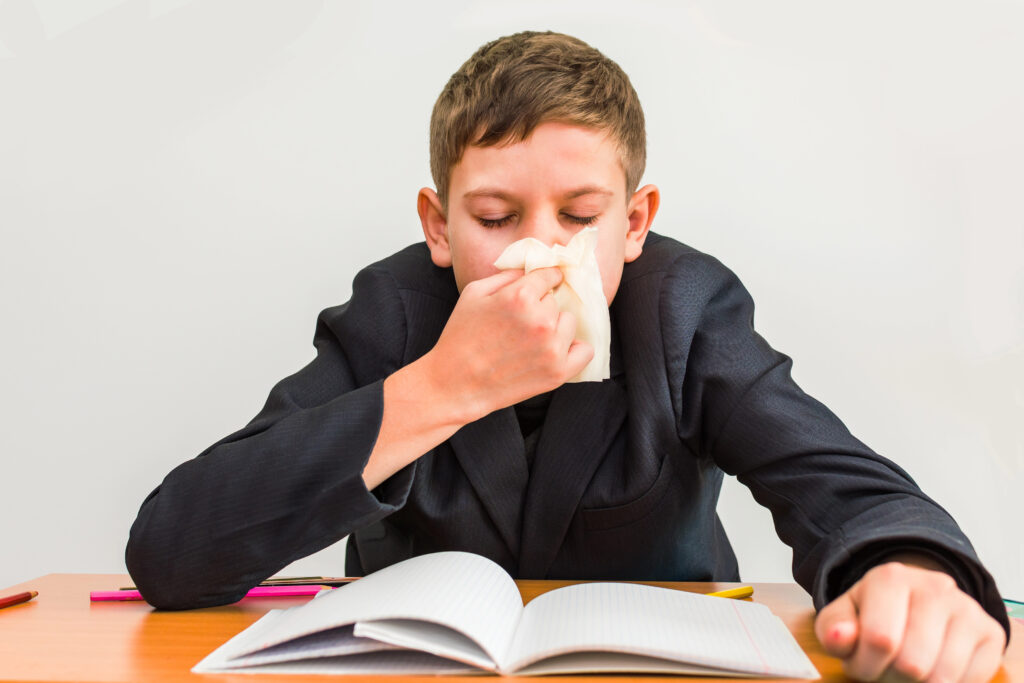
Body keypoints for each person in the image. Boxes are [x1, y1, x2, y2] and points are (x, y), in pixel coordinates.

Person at [126, 31, 1009, 681]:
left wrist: (908, 568)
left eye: (580, 219)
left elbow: (846, 488)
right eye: (497, 218)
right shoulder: (392, 313)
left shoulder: (682, 307)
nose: (537, 252)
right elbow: (174, 551)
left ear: (633, 224)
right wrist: (444, 384)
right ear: (438, 226)